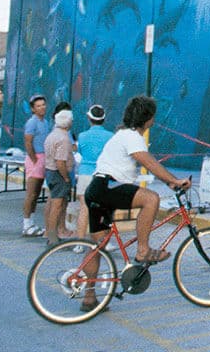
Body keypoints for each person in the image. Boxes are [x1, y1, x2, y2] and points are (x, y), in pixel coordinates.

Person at [83, 95, 190, 304]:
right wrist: (175, 180)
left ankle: (89, 297)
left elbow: (141, 163)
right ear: (148, 119)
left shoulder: (122, 134)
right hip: (108, 187)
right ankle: (142, 250)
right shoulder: (133, 136)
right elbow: (148, 162)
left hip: (96, 189)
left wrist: (168, 181)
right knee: (151, 199)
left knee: (98, 247)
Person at [75, 104, 112, 239]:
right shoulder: (110, 136)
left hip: (85, 173)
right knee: (101, 210)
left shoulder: (82, 136)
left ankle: (79, 243)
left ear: (89, 118)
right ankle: (102, 242)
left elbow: (81, 152)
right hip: (101, 175)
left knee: (84, 209)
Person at [43, 109, 76, 245]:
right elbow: (60, 162)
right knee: (57, 206)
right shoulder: (64, 139)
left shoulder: (51, 135)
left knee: (54, 203)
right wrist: (66, 177)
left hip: (50, 171)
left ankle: (52, 233)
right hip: (58, 174)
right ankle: (52, 237)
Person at [21, 94, 50, 237]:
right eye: (38, 106)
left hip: (44, 158)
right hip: (36, 159)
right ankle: (26, 224)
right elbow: (28, 142)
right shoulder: (32, 122)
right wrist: (34, 160)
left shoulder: (45, 122)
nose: (42, 108)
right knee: (31, 194)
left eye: (43, 105)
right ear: (33, 109)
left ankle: (31, 223)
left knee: (37, 193)